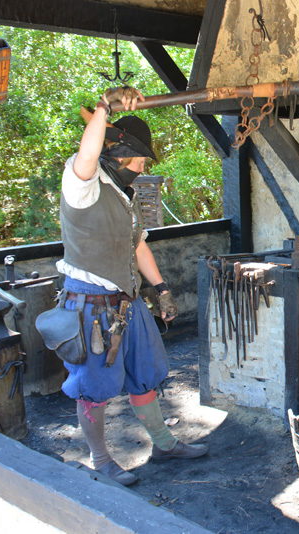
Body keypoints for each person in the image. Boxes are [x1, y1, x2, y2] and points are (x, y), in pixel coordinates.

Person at [56, 87, 207, 486]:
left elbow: (137, 245)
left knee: (146, 373)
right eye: (137, 157)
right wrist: (104, 109)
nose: (141, 166)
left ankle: (163, 442)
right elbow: (87, 155)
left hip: (130, 302)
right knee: (94, 387)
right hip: (89, 306)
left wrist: (161, 288)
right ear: (114, 151)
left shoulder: (125, 195)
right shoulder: (82, 183)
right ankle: (101, 461)